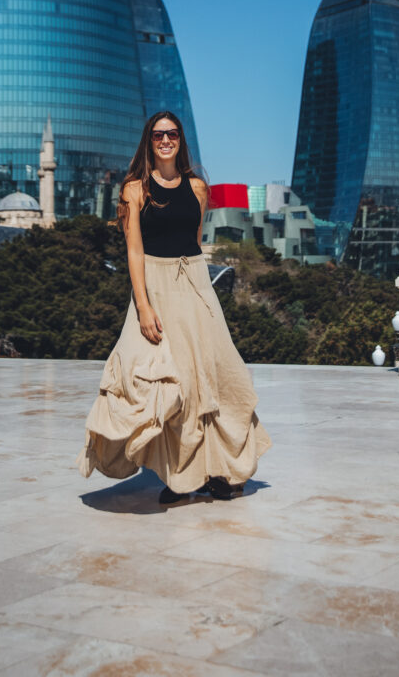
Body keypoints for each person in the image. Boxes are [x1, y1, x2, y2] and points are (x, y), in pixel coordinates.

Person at [77, 110, 271, 504]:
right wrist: (143, 305)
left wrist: (197, 288)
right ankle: (180, 475)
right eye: (158, 135)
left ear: (181, 140)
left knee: (212, 376)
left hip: (195, 285)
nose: (166, 140)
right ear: (148, 142)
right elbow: (134, 251)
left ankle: (219, 472)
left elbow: (194, 242)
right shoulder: (134, 189)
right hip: (156, 286)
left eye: (173, 134)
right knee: (168, 381)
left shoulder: (197, 187)